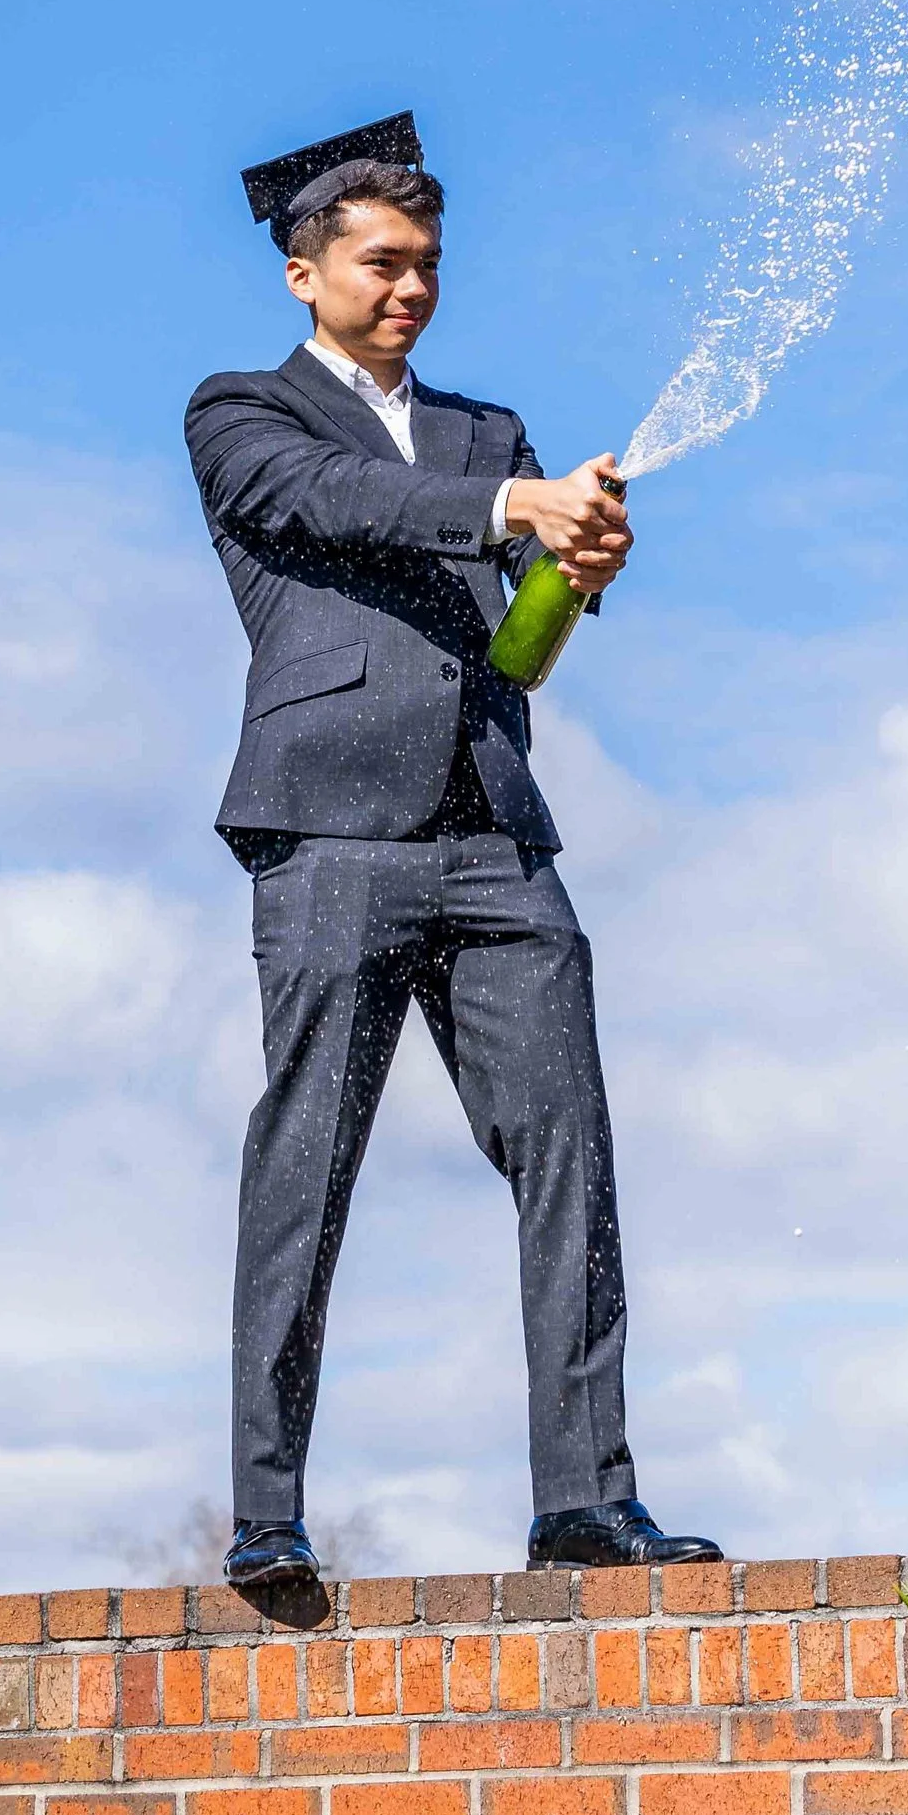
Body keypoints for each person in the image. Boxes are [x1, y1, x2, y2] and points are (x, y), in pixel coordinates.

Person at [185, 113, 722, 1602]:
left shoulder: (495, 429)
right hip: (330, 835)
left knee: (572, 1152)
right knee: (307, 1165)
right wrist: (508, 512)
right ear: (305, 273)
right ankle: (267, 1511)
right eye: (381, 262)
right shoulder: (241, 412)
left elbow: (524, 645)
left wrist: (575, 568)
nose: (411, 285)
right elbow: (335, 504)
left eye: (428, 264)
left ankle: (583, 1501)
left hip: (494, 835)